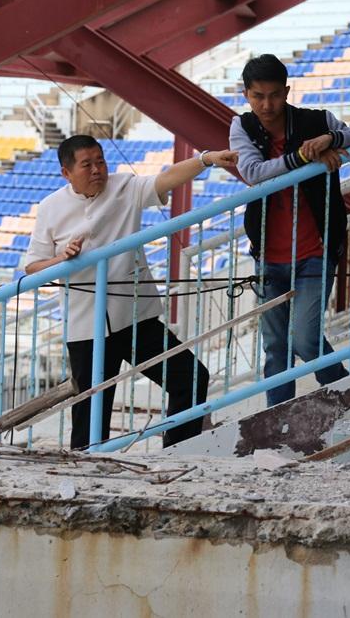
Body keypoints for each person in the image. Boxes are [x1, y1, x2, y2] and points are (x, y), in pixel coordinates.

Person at [24, 135, 238, 449]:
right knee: (90, 415)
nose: (97, 170)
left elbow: (167, 178)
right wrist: (62, 259)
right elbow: (32, 266)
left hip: (136, 316)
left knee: (191, 378)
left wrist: (206, 159)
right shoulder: (50, 207)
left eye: (100, 161)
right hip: (86, 325)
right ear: (66, 173)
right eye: (87, 164)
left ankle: (178, 448)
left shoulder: (124, 186)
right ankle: (86, 465)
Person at [229, 54, 350, 408]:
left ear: (287, 91)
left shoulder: (318, 121)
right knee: (276, 349)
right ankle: (278, 418)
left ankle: (348, 397)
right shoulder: (241, 126)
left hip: (316, 251)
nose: (267, 105)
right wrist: (304, 157)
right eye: (258, 96)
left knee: (305, 340)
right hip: (268, 256)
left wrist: (332, 139)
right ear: (246, 95)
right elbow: (253, 172)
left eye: (275, 95)